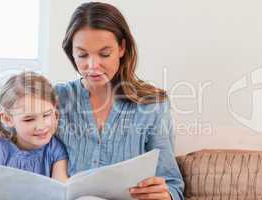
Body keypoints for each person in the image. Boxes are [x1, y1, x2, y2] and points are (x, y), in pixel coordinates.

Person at [56, 2, 184, 200]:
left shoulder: (152, 105)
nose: (92, 65)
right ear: (71, 52)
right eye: (82, 55)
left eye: (104, 54)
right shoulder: (55, 100)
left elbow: (173, 185)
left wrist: (165, 194)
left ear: (122, 48)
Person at [0, 72, 68, 183]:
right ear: (7, 119)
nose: (41, 126)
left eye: (46, 115)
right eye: (29, 119)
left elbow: (61, 187)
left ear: (55, 109)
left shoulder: (55, 149)